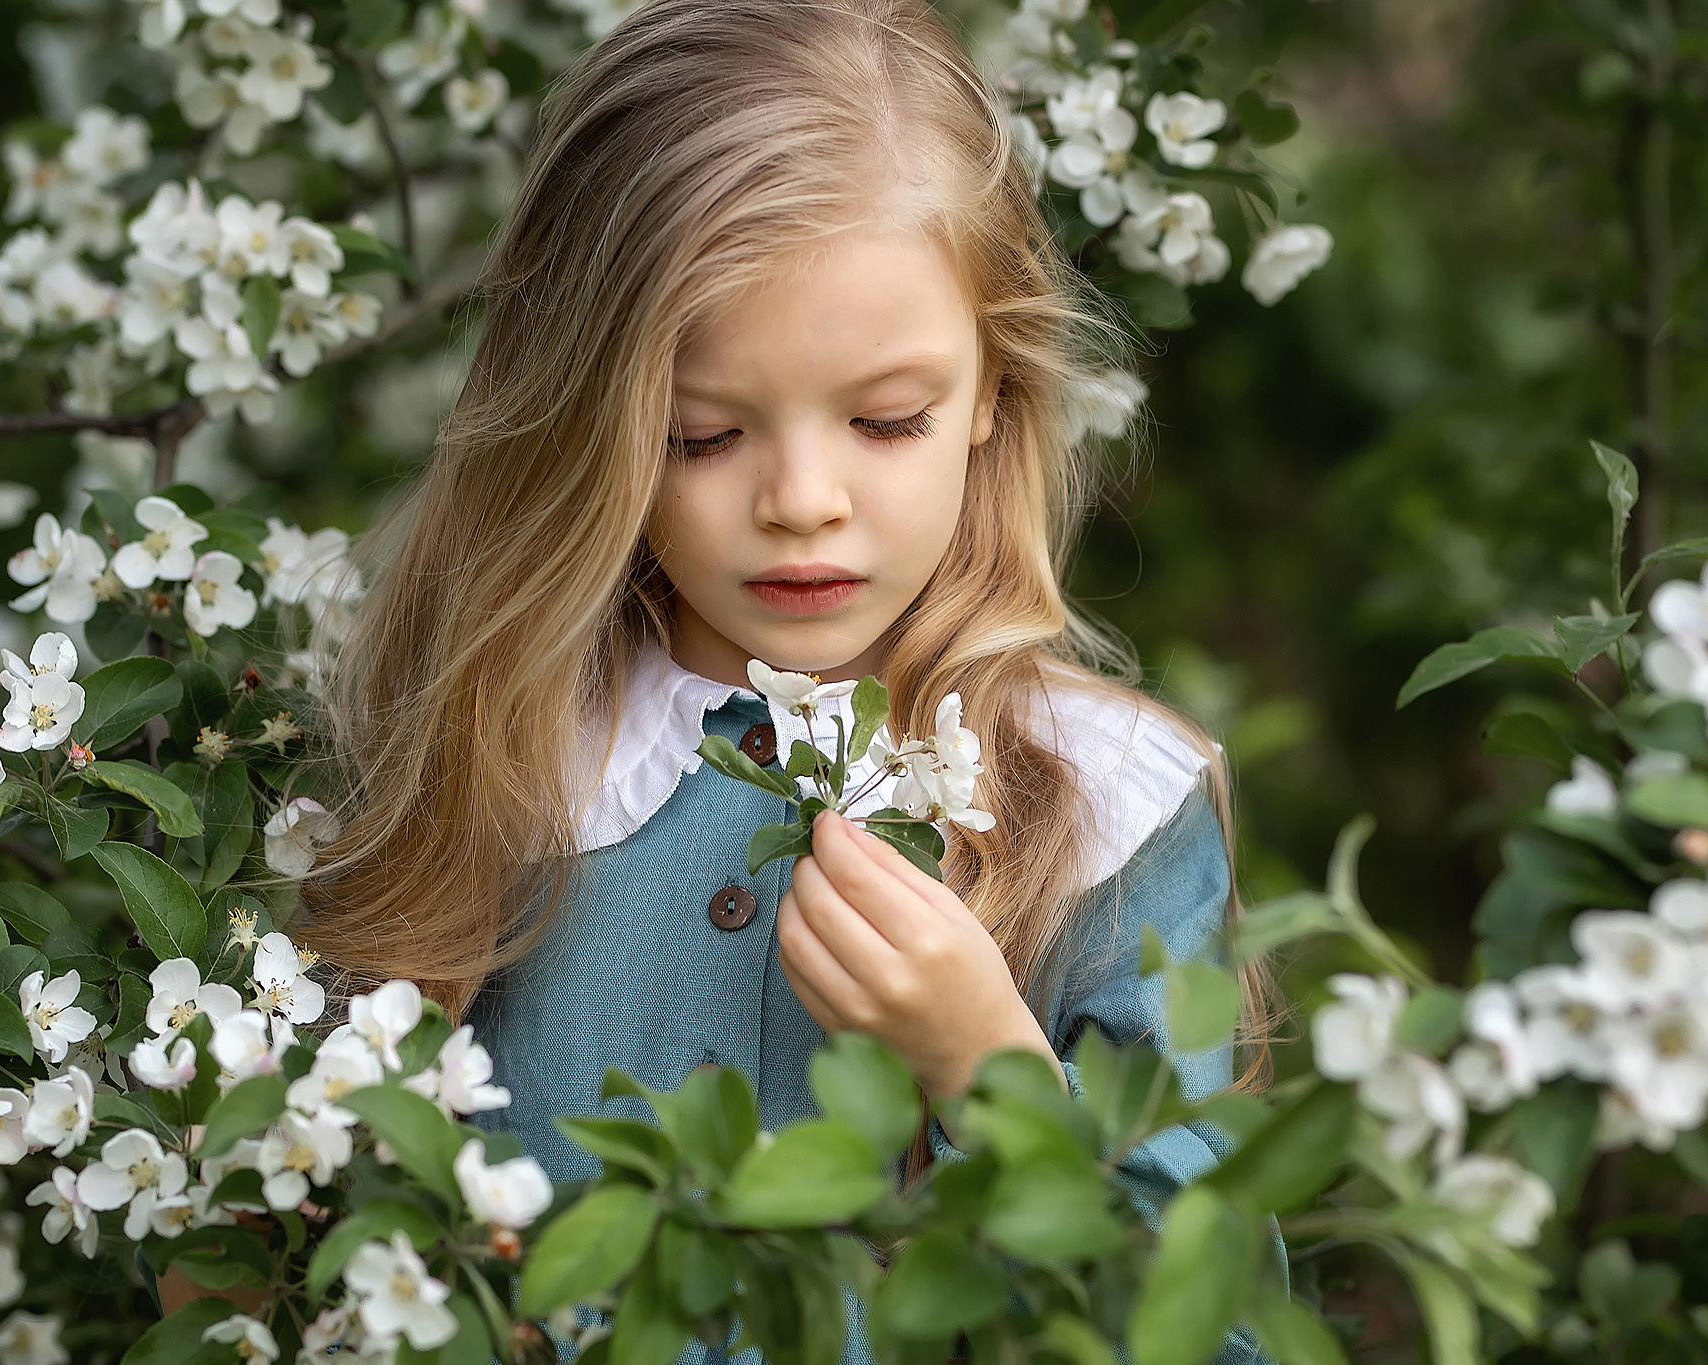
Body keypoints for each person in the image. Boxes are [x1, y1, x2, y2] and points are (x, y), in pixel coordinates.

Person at [295, 1, 1269, 1361]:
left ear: (996, 389)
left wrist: (990, 1070)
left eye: (885, 420)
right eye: (700, 435)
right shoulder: (506, 760)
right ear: (589, 421)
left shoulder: (1103, 809)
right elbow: (291, 1253)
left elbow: (1219, 1333)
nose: (803, 501)